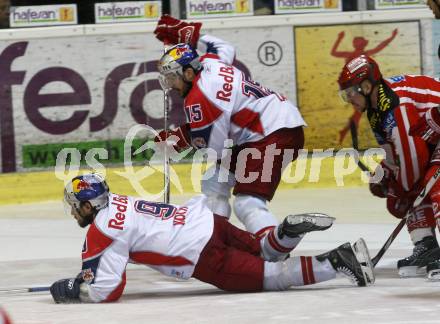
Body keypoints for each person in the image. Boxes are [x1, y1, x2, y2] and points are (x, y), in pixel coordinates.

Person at [50, 174, 374, 303]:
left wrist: (73, 289)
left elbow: (107, 290)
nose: (74, 212)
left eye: (76, 207)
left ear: (90, 205)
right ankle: (284, 233)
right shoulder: (117, 200)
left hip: (199, 254)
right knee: (265, 250)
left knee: (273, 277)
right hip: (206, 221)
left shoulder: (100, 230)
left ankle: (337, 262)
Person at [153, 15, 306, 258]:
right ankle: (214, 240)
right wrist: (190, 37)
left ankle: (275, 251)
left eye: (173, 77)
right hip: (271, 127)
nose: (170, 85)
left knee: (247, 201)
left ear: (190, 74)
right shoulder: (210, 62)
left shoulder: (200, 100)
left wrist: (177, 140)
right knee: (214, 182)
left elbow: (217, 150)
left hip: (272, 134)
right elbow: (225, 48)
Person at [337, 54, 440, 277]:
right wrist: (383, 175)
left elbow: (413, 161)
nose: (349, 100)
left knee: (432, 181)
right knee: (403, 194)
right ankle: (427, 246)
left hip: (434, 135)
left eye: (350, 93)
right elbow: (397, 156)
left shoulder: (396, 105)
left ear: (366, 86)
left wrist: (398, 188)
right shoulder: (376, 110)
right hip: (433, 138)